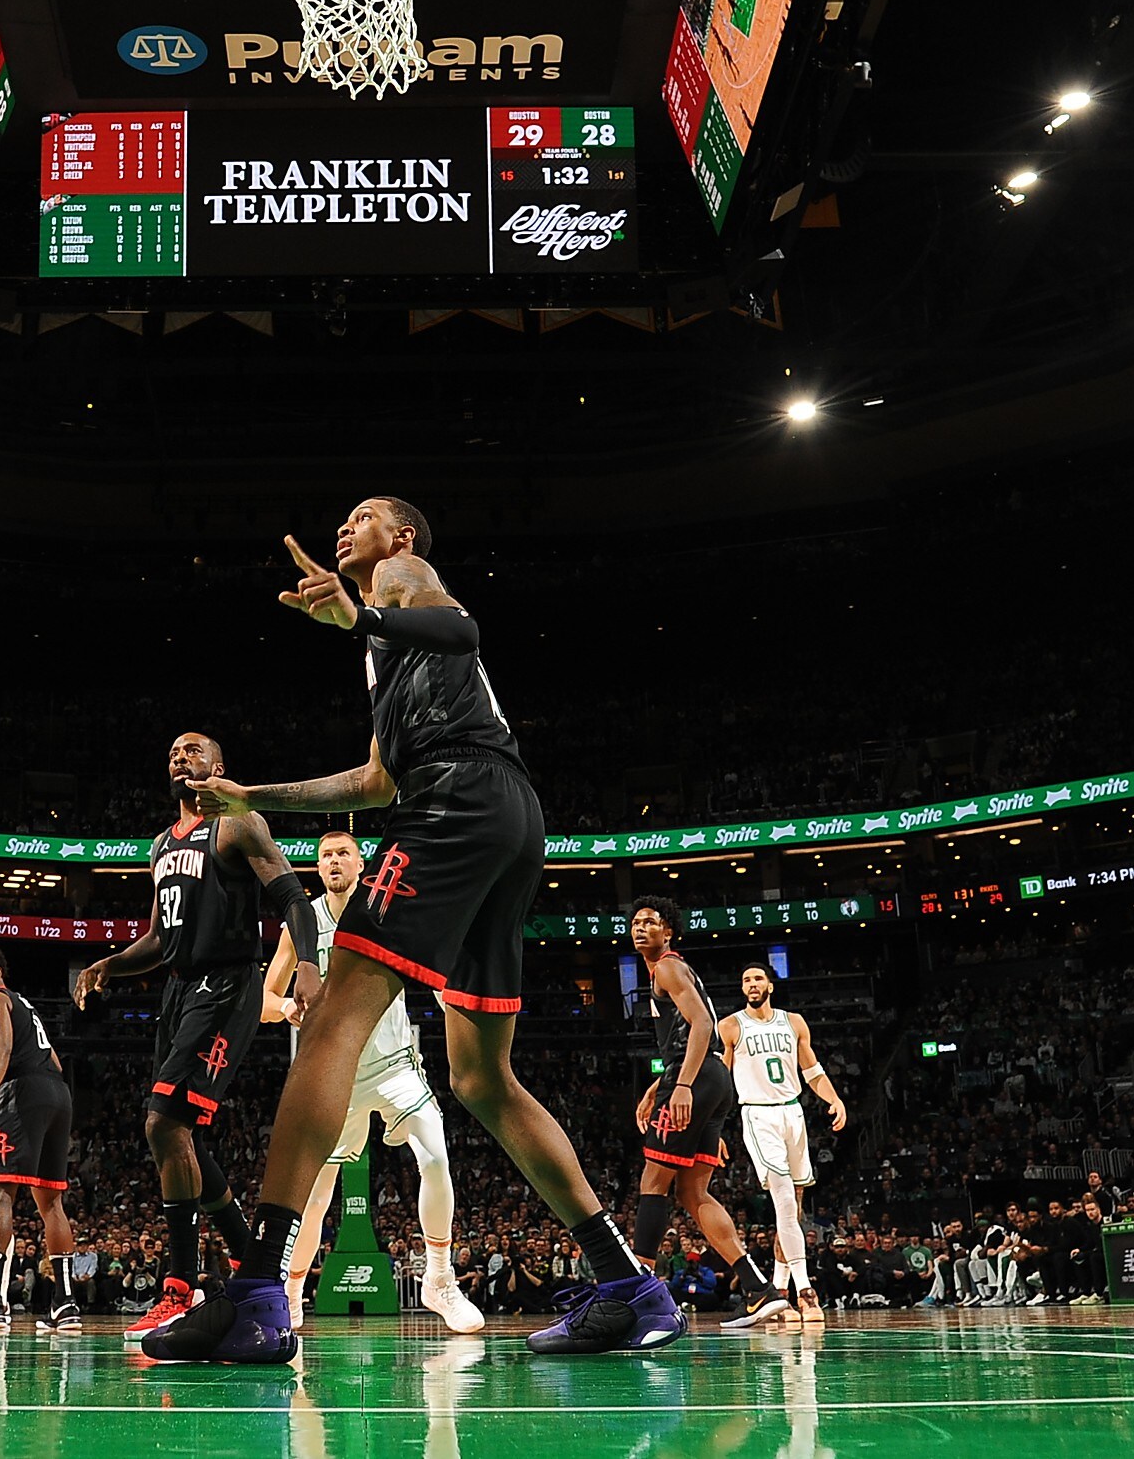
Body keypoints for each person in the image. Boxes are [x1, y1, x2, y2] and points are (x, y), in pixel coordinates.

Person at [148, 503, 685, 1362]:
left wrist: (361, 609)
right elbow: (372, 780)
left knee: (329, 1025)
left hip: (457, 804)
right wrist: (258, 796)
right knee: (481, 1075)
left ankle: (256, 1292)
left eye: (365, 515)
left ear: (400, 538)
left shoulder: (401, 582)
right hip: (505, 813)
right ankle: (629, 1285)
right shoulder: (388, 650)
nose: (346, 525)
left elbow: (464, 629)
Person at [73, 731, 321, 1344]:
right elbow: (160, 937)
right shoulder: (160, 845)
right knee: (176, 1131)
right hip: (179, 989)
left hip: (229, 985)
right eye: (172, 752)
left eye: (192, 750)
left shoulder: (238, 825)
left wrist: (309, 965)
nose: (179, 757)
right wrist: (111, 963)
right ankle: (243, 1254)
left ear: (219, 766)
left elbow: (292, 894)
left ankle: (180, 1286)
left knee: (163, 1124)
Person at [263, 826, 484, 1333]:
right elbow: (263, 1001)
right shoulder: (301, 924)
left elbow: (435, 973)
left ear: (362, 864)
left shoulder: (386, 913)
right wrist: (288, 1008)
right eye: (325, 856)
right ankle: (292, 1296)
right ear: (317, 869)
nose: (334, 860)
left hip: (393, 1064)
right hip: (330, 1074)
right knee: (315, 1197)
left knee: (435, 1153)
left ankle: (439, 1279)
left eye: (344, 853)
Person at [624, 899, 785, 1326]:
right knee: (693, 1194)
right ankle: (756, 1288)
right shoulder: (674, 969)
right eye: (635, 923)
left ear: (669, 931)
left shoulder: (667, 968)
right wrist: (658, 1087)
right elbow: (693, 1039)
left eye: (651, 923)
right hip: (712, 1078)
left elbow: (701, 1027)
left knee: (653, 1181)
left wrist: (679, 1087)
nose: (641, 929)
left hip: (694, 1079)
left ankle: (639, 1291)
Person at [0, 945, 87, 1331]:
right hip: (57, 1094)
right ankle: (65, 1304)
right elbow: (56, 1062)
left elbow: (3, 1047)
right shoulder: (25, 1006)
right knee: (50, 1201)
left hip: (22, 1094)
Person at [719, 960, 845, 1324]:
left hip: (793, 1113)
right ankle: (807, 1292)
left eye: (758, 978)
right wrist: (713, 1131)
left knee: (794, 1210)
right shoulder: (730, 1027)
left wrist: (834, 1099)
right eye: (746, 980)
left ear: (770, 985)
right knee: (785, 1203)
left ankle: (779, 1290)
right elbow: (722, 1084)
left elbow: (813, 1071)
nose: (752, 984)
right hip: (758, 1115)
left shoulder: (794, 1022)